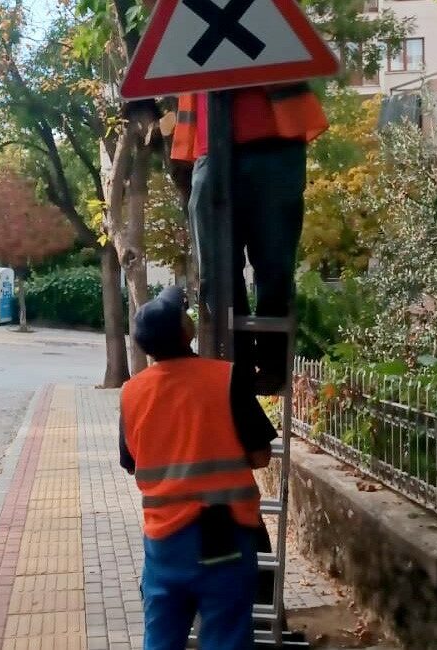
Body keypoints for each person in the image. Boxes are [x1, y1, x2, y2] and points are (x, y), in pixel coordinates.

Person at [120, 287, 277, 650]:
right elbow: (260, 457)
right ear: (186, 331)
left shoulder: (131, 392)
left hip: (164, 541)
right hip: (223, 536)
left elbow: (132, 463)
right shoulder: (226, 378)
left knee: (161, 638)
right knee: (226, 637)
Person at [173, 86, 327, 395]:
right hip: (210, 150)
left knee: (275, 268)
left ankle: (271, 366)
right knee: (215, 275)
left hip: (274, 143)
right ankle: (236, 364)